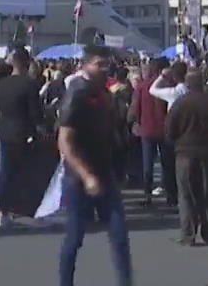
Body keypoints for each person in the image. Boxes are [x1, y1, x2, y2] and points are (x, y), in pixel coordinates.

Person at [57, 44, 133, 286]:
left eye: (107, 64)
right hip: (78, 178)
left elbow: (109, 134)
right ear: (85, 65)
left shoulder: (105, 94)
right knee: (75, 237)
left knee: (119, 235)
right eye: (99, 64)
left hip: (105, 172)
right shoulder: (76, 93)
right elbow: (65, 141)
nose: (105, 68)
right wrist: (86, 175)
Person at [165, 72, 208, 246]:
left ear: (187, 85)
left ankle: (188, 234)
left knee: (186, 195)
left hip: (185, 153)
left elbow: (169, 131)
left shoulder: (179, 104)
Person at [0, 48, 42, 227]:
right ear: (26, 63)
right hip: (25, 133)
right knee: (28, 174)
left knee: (5, 173)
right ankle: (28, 210)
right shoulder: (30, 85)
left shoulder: (0, 85)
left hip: (4, 132)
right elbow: (35, 113)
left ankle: (2, 211)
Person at [130, 58, 173, 208]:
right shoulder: (169, 85)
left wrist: (135, 123)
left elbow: (135, 109)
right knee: (167, 164)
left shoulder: (142, 86)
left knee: (147, 164)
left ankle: (147, 195)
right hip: (165, 129)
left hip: (146, 129)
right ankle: (171, 196)